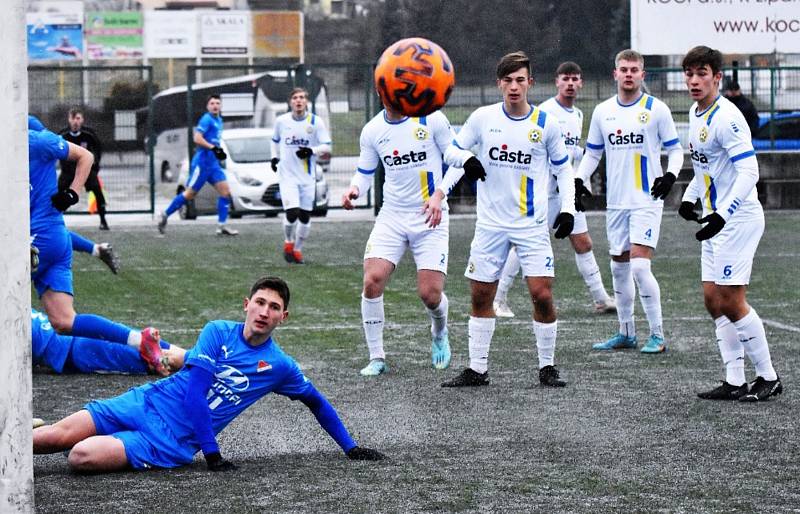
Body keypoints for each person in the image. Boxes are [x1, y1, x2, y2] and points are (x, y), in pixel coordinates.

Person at [33, 276, 385, 472]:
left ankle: (105, 441)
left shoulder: (280, 367)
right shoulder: (217, 331)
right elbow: (193, 393)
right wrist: (213, 454)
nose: (264, 311)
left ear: (283, 317)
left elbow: (317, 403)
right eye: (259, 302)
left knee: (81, 456)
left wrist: (350, 447)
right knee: (53, 437)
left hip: (168, 441)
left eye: (274, 307)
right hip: (144, 402)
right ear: (246, 305)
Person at [439, 51, 576, 388]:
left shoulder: (546, 124)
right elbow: (450, 151)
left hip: (531, 225)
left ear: (530, 82)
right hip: (490, 225)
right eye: (508, 80)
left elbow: (563, 170)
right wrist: (468, 158)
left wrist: (569, 208)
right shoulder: (483, 118)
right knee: (481, 296)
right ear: (499, 83)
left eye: (520, 80)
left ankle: (547, 366)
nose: (514, 87)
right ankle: (477, 369)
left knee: (541, 294)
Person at [680, 46, 782, 402]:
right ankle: (734, 380)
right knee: (712, 299)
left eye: (702, 73)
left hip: (736, 220)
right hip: (715, 220)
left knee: (731, 300)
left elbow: (748, 171)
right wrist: (690, 197)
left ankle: (768, 377)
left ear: (717, 77)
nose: (694, 80)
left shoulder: (729, 116)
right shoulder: (696, 113)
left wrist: (723, 213)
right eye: (689, 74)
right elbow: (705, 166)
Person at [29, 127, 164, 371]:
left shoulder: (36, 141)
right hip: (55, 240)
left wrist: (72, 193)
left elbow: (86, 156)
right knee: (64, 320)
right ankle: (143, 341)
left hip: (37, 243)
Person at [341, 97, 460, 376]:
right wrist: (354, 190)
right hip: (392, 216)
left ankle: (439, 332)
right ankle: (377, 357)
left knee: (430, 295)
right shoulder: (372, 130)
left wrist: (438, 195)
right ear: (381, 92)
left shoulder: (431, 118)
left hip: (431, 215)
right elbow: (365, 172)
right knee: (372, 279)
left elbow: (458, 162)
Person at [575, 49, 684, 354]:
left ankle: (658, 335)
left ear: (642, 75)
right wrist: (578, 180)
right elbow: (593, 153)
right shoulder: (602, 111)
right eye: (623, 69)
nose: (628, 74)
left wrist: (671, 175)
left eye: (634, 70)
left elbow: (676, 150)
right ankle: (626, 333)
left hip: (647, 199)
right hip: (617, 202)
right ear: (615, 73)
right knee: (619, 268)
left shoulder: (657, 109)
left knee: (638, 267)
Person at [492, 61, 615, 318]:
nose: (570, 84)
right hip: (544, 193)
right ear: (556, 82)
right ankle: (498, 298)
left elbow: (571, 154)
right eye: (565, 79)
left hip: (566, 193)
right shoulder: (545, 112)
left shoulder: (578, 115)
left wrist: (581, 183)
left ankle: (601, 299)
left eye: (575, 79)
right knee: (523, 245)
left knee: (583, 243)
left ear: (581, 83)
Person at [158, 94, 238, 236]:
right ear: (208, 106)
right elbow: (197, 138)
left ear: (220, 106)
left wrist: (218, 151)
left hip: (213, 165)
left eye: (217, 103)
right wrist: (212, 148)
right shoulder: (206, 119)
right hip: (201, 164)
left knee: (225, 192)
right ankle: (165, 214)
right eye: (212, 103)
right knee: (189, 194)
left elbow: (214, 141)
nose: (215, 105)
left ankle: (221, 226)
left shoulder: (219, 120)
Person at [270, 88, 332, 264]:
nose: (299, 101)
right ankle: (288, 242)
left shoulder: (315, 122)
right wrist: (274, 158)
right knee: (292, 212)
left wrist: (311, 150)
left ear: (306, 101)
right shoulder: (281, 121)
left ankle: (297, 250)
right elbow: (274, 142)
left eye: (302, 98)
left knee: (305, 216)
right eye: (295, 98)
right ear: (290, 102)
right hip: (287, 176)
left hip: (307, 177)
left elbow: (326, 146)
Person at [32, 309, 182, 376]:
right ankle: (195, 355)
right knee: (149, 344)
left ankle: (198, 362)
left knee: (152, 360)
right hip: (79, 336)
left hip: (77, 352)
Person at [58, 108, 109, 230]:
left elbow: (98, 149)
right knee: (58, 192)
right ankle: (57, 222)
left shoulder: (89, 134)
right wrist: (64, 166)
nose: (75, 121)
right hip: (68, 171)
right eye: (73, 118)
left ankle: (103, 220)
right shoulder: (62, 135)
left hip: (85, 169)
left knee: (97, 190)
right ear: (69, 120)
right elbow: (56, 151)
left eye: (78, 118)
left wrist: (95, 167)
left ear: (82, 120)